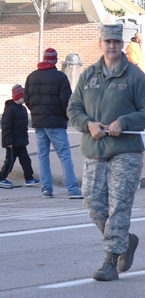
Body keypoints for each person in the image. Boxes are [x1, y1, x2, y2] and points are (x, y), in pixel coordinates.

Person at [67, 23, 145, 281]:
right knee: (94, 203)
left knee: (119, 205)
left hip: (125, 151)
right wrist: (88, 124)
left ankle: (110, 260)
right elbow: (73, 109)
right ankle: (125, 241)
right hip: (95, 148)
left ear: (122, 45)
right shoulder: (88, 76)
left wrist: (124, 122)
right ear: (100, 43)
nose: (111, 46)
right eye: (107, 41)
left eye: (116, 42)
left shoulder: (134, 76)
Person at [24, 47, 83, 199]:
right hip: (56, 122)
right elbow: (67, 101)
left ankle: (46, 189)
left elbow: (27, 99)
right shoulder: (60, 77)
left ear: (44, 59)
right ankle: (72, 189)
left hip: (38, 122)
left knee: (43, 156)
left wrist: (36, 112)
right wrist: (66, 117)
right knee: (64, 155)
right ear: (55, 60)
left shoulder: (32, 77)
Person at [0, 84, 39, 189]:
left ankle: (29, 178)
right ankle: (2, 178)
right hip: (12, 142)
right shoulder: (10, 109)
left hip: (21, 142)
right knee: (10, 161)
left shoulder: (22, 109)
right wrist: (8, 141)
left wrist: (25, 139)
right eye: (24, 96)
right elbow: (6, 127)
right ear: (18, 97)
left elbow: (23, 126)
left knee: (25, 160)